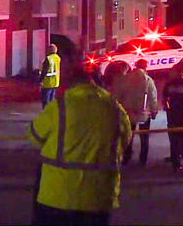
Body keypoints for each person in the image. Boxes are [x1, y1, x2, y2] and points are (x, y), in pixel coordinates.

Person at [28, 61, 132, 225]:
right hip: (99, 195)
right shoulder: (114, 107)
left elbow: (35, 136)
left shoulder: (60, 106)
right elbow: (126, 140)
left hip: (57, 195)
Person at [113, 59, 158, 166]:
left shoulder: (126, 79)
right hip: (144, 113)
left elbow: (119, 95)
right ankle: (143, 159)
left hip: (129, 112)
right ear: (145, 67)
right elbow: (153, 97)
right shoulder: (148, 80)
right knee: (144, 137)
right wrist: (154, 110)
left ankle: (127, 157)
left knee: (129, 136)